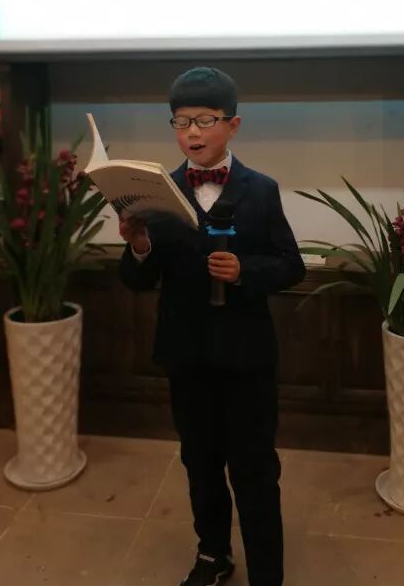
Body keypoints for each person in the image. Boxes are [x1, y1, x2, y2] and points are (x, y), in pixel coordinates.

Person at [118, 66, 305, 586]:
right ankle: (213, 555)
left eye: (205, 120)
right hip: (186, 354)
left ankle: (266, 572)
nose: (192, 133)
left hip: (246, 357)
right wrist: (139, 245)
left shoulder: (261, 190)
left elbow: (292, 266)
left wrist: (245, 270)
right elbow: (137, 280)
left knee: (255, 468)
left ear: (233, 125)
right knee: (199, 462)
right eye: (181, 122)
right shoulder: (157, 191)